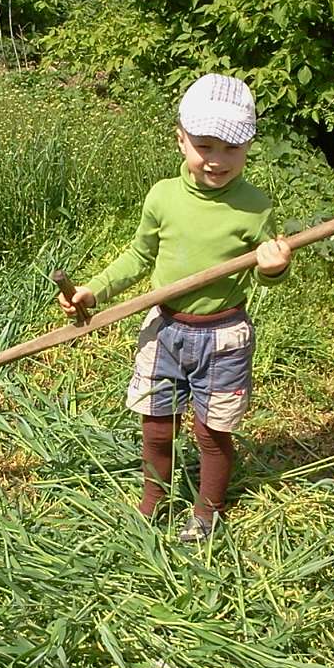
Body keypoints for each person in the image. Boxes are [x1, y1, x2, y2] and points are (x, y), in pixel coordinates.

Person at [58, 73, 292, 542]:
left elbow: (269, 267)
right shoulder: (164, 196)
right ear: (181, 138)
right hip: (163, 328)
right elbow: (139, 256)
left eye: (232, 149)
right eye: (204, 145)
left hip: (223, 336)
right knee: (158, 425)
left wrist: (274, 266)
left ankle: (207, 510)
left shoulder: (254, 206)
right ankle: (154, 498)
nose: (217, 160)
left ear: (248, 147)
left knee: (211, 433)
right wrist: (94, 291)